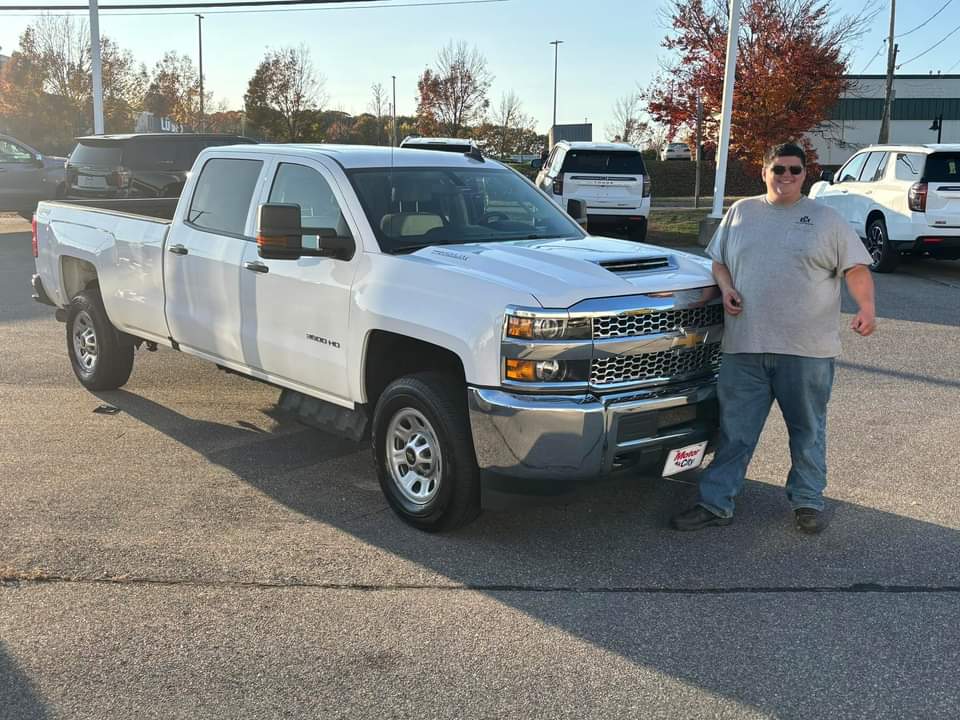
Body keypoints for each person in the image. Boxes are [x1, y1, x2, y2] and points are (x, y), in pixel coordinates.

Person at [671, 142, 876, 534]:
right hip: (744, 348)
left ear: (805, 175)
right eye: (778, 169)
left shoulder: (826, 219)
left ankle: (807, 501)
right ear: (764, 171)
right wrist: (726, 287)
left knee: (807, 431)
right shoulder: (741, 213)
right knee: (735, 433)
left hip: (807, 352)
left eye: (794, 171)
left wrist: (866, 308)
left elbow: (856, 269)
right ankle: (716, 503)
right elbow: (719, 261)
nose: (786, 177)